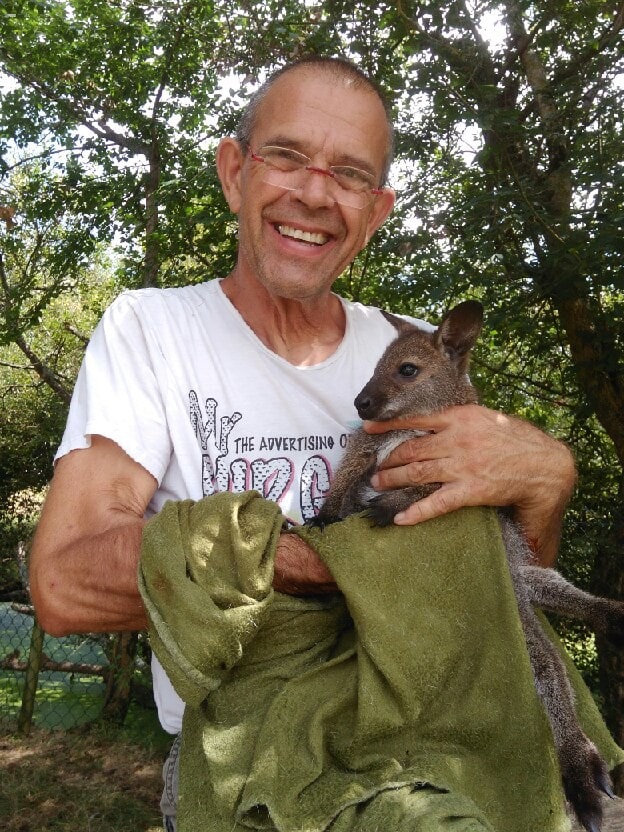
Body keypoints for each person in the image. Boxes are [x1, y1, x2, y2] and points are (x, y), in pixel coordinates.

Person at [29, 56, 576, 829]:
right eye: (285, 156)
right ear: (234, 172)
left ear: (376, 209)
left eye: (349, 174)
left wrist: (546, 483)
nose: (314, 193)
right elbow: (63, 583)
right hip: (250, 747)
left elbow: (498, 591)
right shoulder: (152, 330)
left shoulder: (408, 357)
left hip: (429, 728)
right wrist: (326, 562)